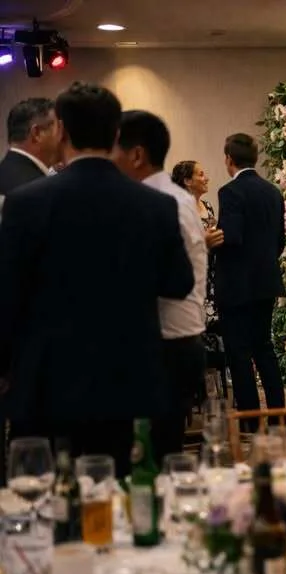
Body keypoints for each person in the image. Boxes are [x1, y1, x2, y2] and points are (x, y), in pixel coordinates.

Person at [0, 82, 194, 477]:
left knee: (48, 508)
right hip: (132, 379)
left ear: (63, 132)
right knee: (129, 499)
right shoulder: (156, 205)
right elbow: (178, 283)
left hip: (47, 383)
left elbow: (8, 297)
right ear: (116, 134)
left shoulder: (26, 203)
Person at [113, 111, 208, 463]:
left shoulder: (162, 204)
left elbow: (168, 278)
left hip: (168, 343)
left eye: (112, 149)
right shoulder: (168, 199)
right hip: (170, 340)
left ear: (136, 155)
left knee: (155, 454)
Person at [0, 97, 61, 486]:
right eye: (57, 126)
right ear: (37, 133)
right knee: (36, 458)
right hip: (31, 347)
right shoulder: (32, 191)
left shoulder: (9, 178)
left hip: (17, 344)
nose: (63, 134)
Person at [215, 133, 286, 427]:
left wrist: (208, 241)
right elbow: (279, 241)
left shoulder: (230, 192)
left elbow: (231, 237)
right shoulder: (273, 192)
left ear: (228, 159)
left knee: (239, 352)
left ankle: (250, 419)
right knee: (264, 348)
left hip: (237, 284)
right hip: (266, 280)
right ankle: (277, 416)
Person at [172, 160, 226, 397]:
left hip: (211, 274)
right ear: (187, 181)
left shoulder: (207, 206)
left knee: (213, 331)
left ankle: (212, 385)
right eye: (200, 174)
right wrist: (201, 243)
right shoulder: (177, 209)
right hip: (189, 276)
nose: (206, 178)